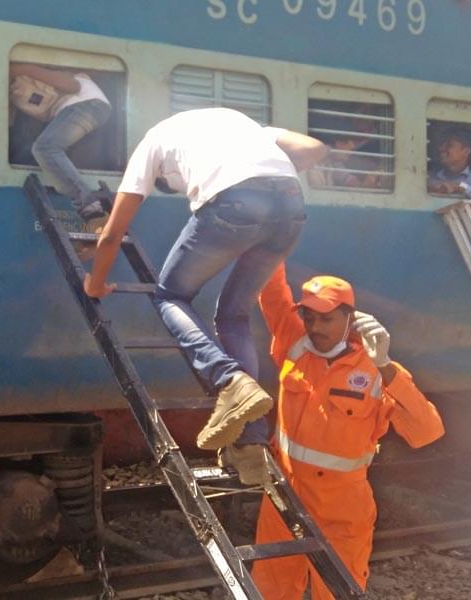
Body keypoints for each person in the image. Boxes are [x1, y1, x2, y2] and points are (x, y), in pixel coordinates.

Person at [83, 108, 328, 480]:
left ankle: (229, 380)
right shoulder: (241, 124)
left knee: (170, 296)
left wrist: (96, 282)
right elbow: (314, 148)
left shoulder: (152, 142)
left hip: (234, 203)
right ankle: (250, 445)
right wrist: (269, 183)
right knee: (234, 316)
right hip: (291, 208)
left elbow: (112, 233)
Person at [251, 262, 445, 596]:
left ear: (350, 319)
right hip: (284, 495)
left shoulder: (376, 371)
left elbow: (426, 431)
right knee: (271, 589)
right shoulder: (294, 342)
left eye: (326, 319)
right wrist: (271, 240)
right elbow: (271, 291)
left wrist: (385, 366)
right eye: (309, 317)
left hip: (341, 507)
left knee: (338, 591)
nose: (315, 327)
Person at [9, 63, 111, 223]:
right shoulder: (15, 91)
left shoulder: (67, 77)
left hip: (86, 104)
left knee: (45, 148)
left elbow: (72, 85)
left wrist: (22, 69)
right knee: (45, 147)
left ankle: (88, 204)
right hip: (89, 108)